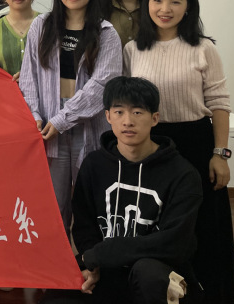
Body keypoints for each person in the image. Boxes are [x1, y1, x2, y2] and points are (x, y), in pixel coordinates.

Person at [124, 0, 234, 304]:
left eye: (175, 1)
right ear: (146, 5)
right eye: (157, 0)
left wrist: (220, 153)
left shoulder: (203, 48)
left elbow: (219, 103)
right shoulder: (133, 48)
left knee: (203, 221)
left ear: (188, 8)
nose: (165, 9)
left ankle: (210, 292)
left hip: (195, 142)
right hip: (150, 144)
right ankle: (160, 290)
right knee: (155, 221)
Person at [43, 76, 203, 304]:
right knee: (55, 293)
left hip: (157, 271)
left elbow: (175, 242)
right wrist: (92, 265)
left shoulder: (182, 174)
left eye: (137, 112)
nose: (128, 121)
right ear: (108, 116)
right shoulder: (93, 165)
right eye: (119, 112)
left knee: (148, 275)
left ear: (154, 118)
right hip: (105, 269)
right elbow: (85, 227)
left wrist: (103, 253)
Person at [20, 0, 122, 232]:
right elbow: (28, 78)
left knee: (93, 202)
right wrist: (35, 116)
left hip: (88, 123)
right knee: (52, 204)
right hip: (48, 125)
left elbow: (102, 84)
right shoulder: (42, 25)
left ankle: (91, 255)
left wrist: (63, 119)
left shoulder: (105, 32)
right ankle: (58, 256)